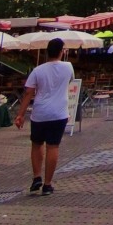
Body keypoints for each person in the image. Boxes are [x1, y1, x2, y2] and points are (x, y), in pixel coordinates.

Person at [13, 37, 74, 196]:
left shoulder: (38, 70)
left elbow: (28, 93)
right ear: (61, 51)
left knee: (36, 144)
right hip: (59, 112)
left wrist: (20, 115)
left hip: (40, 113)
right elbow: (70, 81)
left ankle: (36, 177)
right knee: (53, 146)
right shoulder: (68, 67)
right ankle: (47, 184)